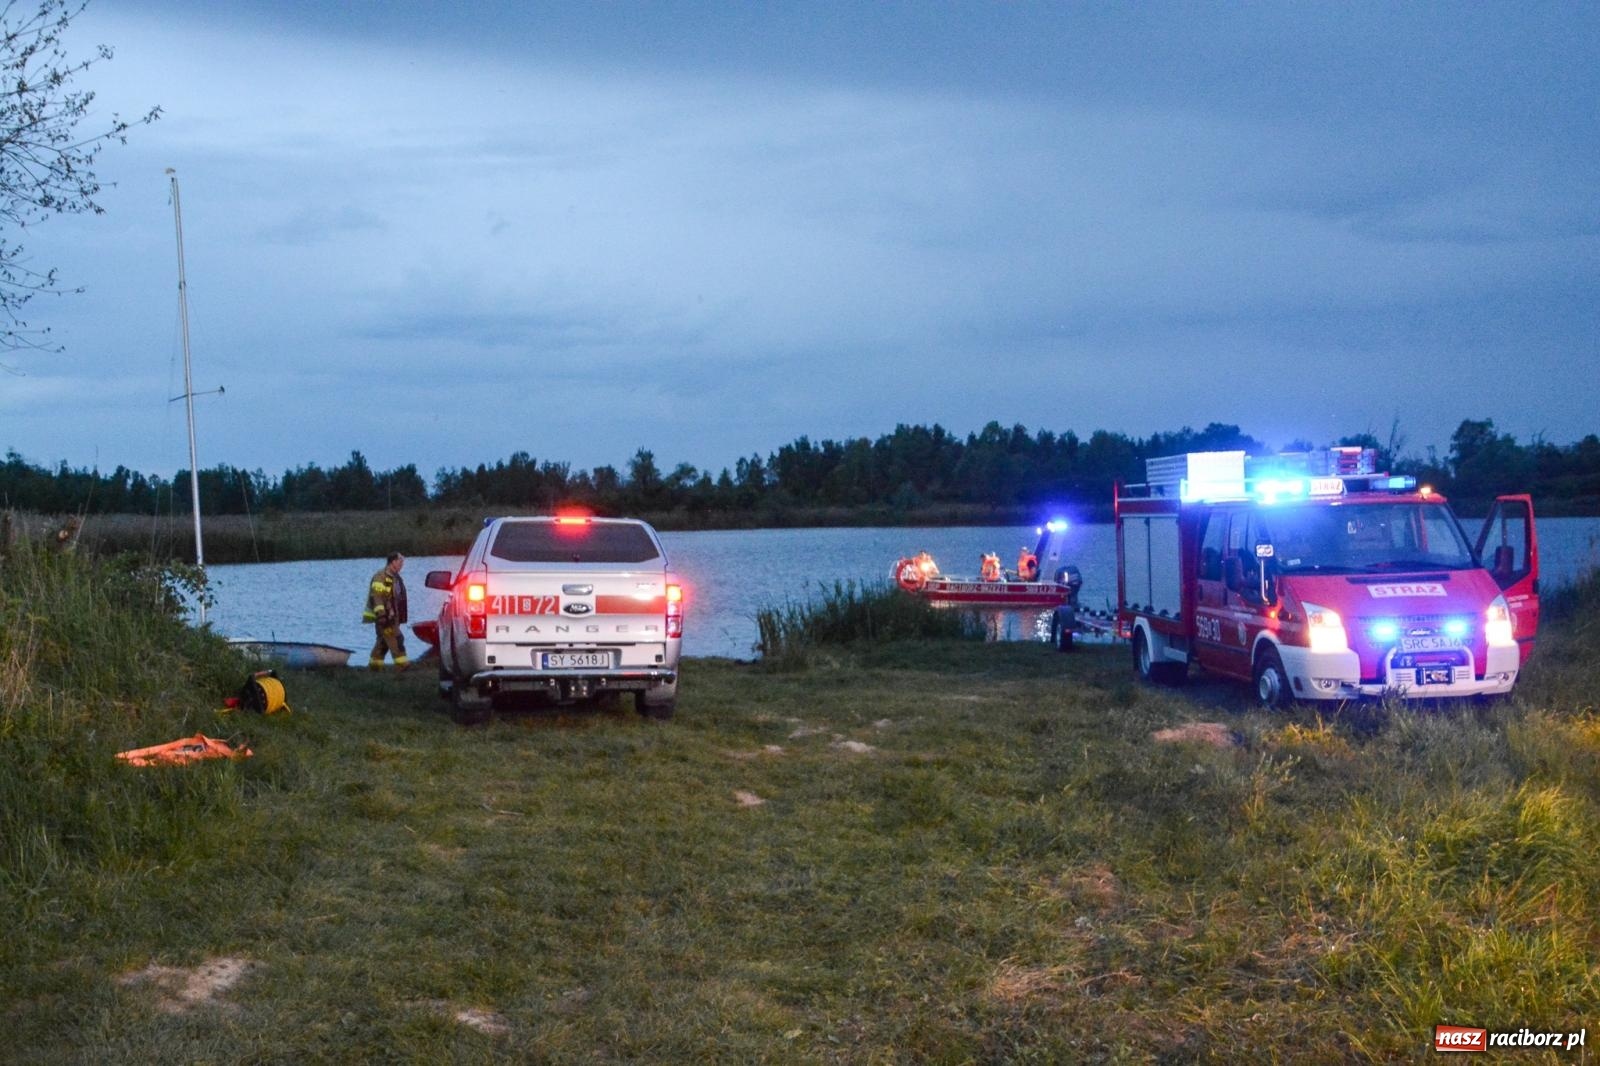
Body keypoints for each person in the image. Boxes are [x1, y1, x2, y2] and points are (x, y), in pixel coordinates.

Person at [364, 552, 410, 671]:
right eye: (400, 562)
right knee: (397, 639)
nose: (402, 565)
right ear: (393, 562)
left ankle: (374, 667)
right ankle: (402, 666)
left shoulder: (394, 577)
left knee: (383, 643)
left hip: (393, 616)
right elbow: (377, 597)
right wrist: (382, 615)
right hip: (385, 617)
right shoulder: (381, 577)